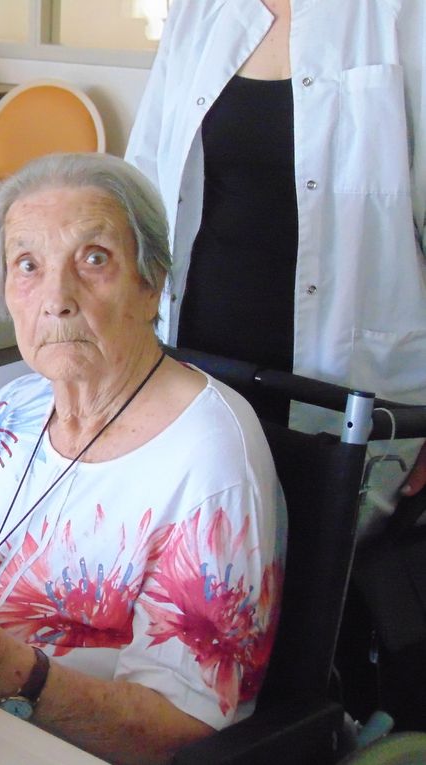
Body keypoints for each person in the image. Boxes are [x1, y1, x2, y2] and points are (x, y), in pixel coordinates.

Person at [0, 153, 286, 765]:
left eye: (94, 258)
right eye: (28, 265)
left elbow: (187, 734)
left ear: (151, 280)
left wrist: (8, 670)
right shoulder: (14, 407)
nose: (56, 298)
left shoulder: (210, 457)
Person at [123, 0, 426, 536]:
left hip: (342, 376)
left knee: (321, 572)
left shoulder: (400, 13)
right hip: (199, 358)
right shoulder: (201, 11)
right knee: (201, 567)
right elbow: (142, 188)